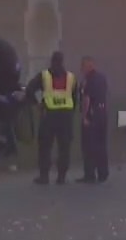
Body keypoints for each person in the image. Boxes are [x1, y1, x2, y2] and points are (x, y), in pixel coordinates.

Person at [24, 51, 76, 185]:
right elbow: (75, 97)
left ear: (52, 61)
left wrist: (37, 103)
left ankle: (44, 176)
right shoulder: (71, 77)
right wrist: (72, 110)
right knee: (64, 147)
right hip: (66, 116)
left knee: (45, 147)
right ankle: (61, 177)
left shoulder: (44, 76)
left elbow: (29, 89)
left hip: (49, 116)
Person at [77, 56, 110, 184]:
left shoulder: (88, 80)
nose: (82, 69)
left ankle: (89, 174)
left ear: (88, 66)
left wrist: (85, 116)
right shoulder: (102, 78)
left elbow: (87, 99)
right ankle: (103, 173)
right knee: (101, 144)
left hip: (92, 115)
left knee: (89, 146)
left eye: (83, 66)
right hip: (102, 114)